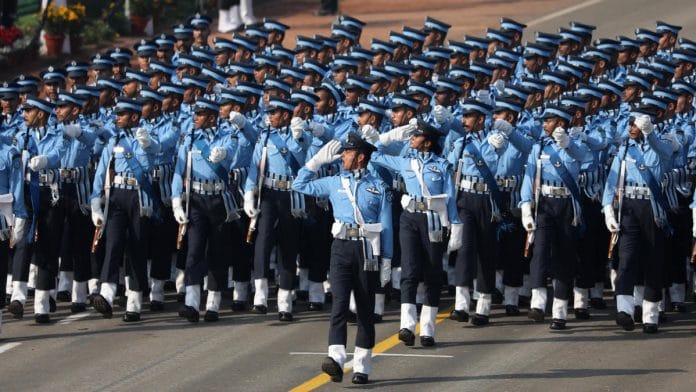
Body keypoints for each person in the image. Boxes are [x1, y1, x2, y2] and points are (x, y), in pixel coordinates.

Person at [292, 132, 392, 385]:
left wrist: (388, 260)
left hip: (368, 248)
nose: (342, 156)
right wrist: (314, 163)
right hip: (340, 247)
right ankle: (335, 359)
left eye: (347, 152)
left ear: (360, 157)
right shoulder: (334, 181)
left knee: (365, 309)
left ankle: (362, 366)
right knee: (338, 304)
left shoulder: (378, 186)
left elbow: (387, 226)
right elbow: (298, 185)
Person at [370, 120, 461, 346]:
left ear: (427, 143)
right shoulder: (405, 162)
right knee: (409, 272)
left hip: (433, 220)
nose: (411, 139)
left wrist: (456, 225)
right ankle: (407, 326)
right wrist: (389, 137)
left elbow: (450, 197)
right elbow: (373, 155)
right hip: (410, 217)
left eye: (416, 136)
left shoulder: (442, 165)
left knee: (432, 273)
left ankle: (428, 330)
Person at [90, 97, 161, 322]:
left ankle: (135, 303)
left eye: (122, 115)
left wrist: (147, 143)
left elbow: (157, 152)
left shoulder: (147, 136)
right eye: (117, 114)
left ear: (134, 116)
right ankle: (107, 295)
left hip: (139, 196)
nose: (117, 118)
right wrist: (95, 201)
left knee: (137, 248)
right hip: (117, 195)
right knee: (113, 243)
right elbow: (102, 170)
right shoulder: (114, 141)